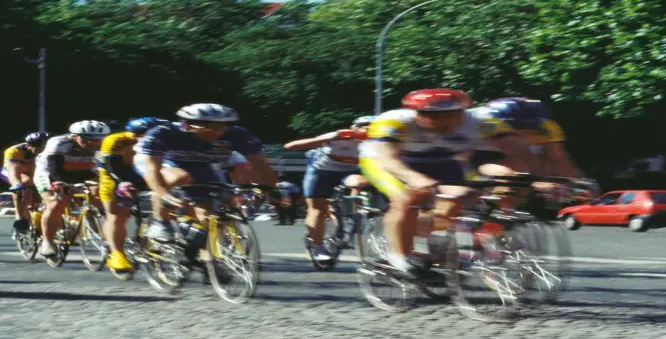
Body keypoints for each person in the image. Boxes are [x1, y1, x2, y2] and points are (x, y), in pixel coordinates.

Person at [360, 88, 515, 279]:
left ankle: (432, 246)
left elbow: (519, 151)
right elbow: (388, 160)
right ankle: (399, 258)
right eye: (431, 115)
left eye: (451, 115)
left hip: (442, 159)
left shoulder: (483, 120)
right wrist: (414, 178)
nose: (443, 121)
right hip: (386, 161)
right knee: (406, 198)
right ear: (416, 113)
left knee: (457, 201)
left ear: (463, 112)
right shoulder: (394, 121)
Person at [134, 103, 277, 244]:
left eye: (226, 125)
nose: (221, 131)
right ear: (188, 124)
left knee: (206, 212)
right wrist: (163, 194)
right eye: (214, 127)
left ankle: (201, 256)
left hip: (201, 164)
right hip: (162, 161)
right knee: (180, 177)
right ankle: (160, 222)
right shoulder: (163, 133)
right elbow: (152, 169)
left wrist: (272, 190)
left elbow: (261, 165)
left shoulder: (238, 134)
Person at [283, 115, 373, 261]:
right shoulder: (340, 135)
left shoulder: (379, 141)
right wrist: (334, 137)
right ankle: (317, 246)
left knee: (360, 182)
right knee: (317, 208)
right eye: (364, 125)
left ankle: (354, 214)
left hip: (349, 172)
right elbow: (290, 146)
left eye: (373, 126)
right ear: (353, 128)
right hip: (321, 171)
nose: (368, 129)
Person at [96, 117, 164, 273]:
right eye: (138, 135)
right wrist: (123, 183)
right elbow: (111, 166)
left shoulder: (163, 139)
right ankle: (117, 254)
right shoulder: (114, 140)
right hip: (113, 174)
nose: (143, 138)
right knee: (116, 215)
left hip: (143, 171)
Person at [34, 121, 110, 257]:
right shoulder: (58, 142)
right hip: (51, 172)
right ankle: (48, 241)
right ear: (74, 136)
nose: (92, 143)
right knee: (57, 202)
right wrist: (59, 183)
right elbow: (55, 167)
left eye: (96, 140)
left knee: (102, 197)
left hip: (83, 170)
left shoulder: (104, 145)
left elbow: (105, 168)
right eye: (86, 139)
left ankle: (102, 234)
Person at [4, 131, 49, 232]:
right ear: (28, 146)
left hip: (31, 170)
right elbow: (12, 171)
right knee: (23, 182)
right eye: (38, 148)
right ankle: (19, 216)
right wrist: (16, 184)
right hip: (11, 171)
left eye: (43, 148)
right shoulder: (13, 151)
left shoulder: (49, 150)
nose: (41, 151)